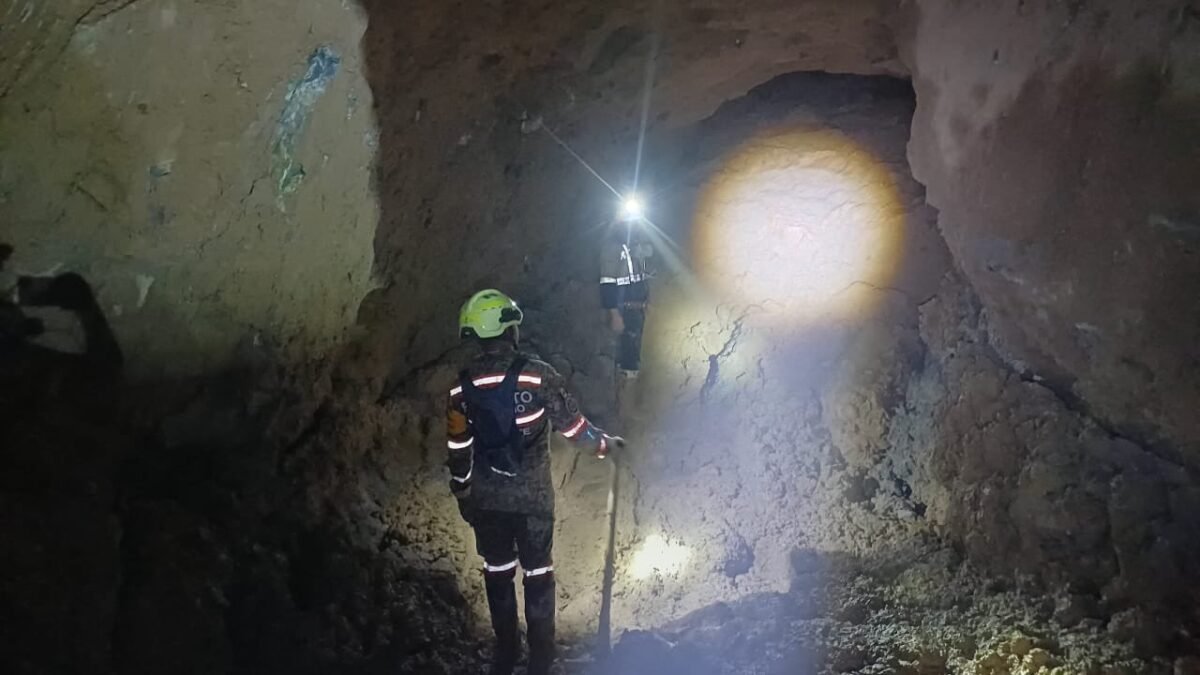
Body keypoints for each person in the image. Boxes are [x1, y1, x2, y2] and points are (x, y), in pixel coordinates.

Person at [446, 289, 622, 675]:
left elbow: (458, 445)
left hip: (488, 500)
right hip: (533, 500)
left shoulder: (461, 387)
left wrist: (462, 488)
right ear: (510, 329)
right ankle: (541, 658)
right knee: (538, 572)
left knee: (497, 570)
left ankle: (505, 653)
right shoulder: (537, 375)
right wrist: (606, 447)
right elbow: (573, 428)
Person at [599, 225, 653, 409]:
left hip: (637, 307)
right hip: (624, 308)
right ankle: (624, 404)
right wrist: (614, 313)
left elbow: (643, 273)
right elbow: (607, 283)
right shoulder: (611, 248)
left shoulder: (634, 245)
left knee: (635, 347)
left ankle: (632, 396)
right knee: (626, 351)